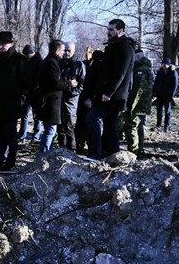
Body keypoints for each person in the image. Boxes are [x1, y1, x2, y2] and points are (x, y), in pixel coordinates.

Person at [84, 19, 134, 159]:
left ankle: (95, 154)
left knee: (92, 118)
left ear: (120, 30)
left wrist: (109, 92)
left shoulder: (125, 48)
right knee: (110, 125)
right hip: (109, 94)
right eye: (108, 29)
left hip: (114, 95)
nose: (108, 32)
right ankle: (113, 155)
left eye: (111, 30)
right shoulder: (113, 47)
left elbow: (120, 73)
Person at [0, 31, 30, 170]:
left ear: (11, 43)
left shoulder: (19, 60)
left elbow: (26, 83)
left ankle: (11, 160)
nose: (0, 46)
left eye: (4, 43)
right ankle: (0, 157)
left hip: (11, 103)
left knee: (10, 134)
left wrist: (21, 99)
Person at [37, 39, 77, 152]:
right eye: (63, 50)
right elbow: (55, 83)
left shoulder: (52, 61)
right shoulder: (51, 63)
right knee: (50, 131)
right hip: (50, 102)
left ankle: (45, 153)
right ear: (57, 50)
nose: (64, 53)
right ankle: (43, 155)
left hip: (51, 102)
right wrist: (68, 84)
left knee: (51, 130)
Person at [123, 49, 153, 154]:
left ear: (137, 56)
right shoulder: (143, 68)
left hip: (138, 105)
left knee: (131, 127)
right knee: (138, 126)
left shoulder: (142, 69)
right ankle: (139, 149)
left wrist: (130, 106)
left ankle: (133, 151)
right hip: (142, 105)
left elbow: (138, 91)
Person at [59, 41, 86, 151]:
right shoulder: (61, 63)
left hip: (71, 100)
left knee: (69, 126)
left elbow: (83, 84)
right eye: (64, 50)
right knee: (60, 126)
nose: (66, 53)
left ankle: (72, 150)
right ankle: (61, 148)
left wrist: (72, 92)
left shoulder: (79, 65)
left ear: (73, 51)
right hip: (60, 99)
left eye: (69, 50)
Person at [18, 44, 41, 142]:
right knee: (25, 115)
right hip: (28, 93)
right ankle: (23, 134)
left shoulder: (39, 63)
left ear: (31, 53)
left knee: (36, 116)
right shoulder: (28, 62)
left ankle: (35, 136)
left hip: (35, 93)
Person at [152, 58, 179, 132]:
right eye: (163, 63)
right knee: (159, 111)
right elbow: (156, 83)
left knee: (167, 111)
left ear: (169, 64)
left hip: (168, 95)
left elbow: (175, 85)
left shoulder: (173, 72)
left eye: (166, 64)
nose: (164, 65)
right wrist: (154, 92)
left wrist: (171, 95)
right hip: (159, 95)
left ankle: (166, 126)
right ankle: (158, 125)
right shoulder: (160, 72)